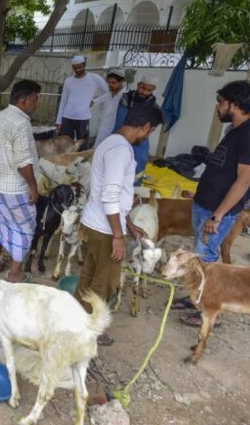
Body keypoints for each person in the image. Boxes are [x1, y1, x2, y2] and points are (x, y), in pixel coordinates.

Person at [75, 104, 162, 346]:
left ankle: (77, 320)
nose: (147, 137)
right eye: (150, 132)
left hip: (97, 223)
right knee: (106, 282)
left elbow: (115, 194)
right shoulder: (121, 151)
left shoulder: (110, 141)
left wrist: (129, 224)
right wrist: (117, 236)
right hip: (105, 230)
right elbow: (110, 195)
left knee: (90, 274)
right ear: (145, 127)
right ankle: (91, 332)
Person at [174, 81, 250, 328]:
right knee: (200, 255)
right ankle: (197, 295)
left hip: (216, 212)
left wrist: (217, 216)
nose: (217, 107)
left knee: (206, 257)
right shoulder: (235, 131)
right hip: (205, 205)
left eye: (221, 102)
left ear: (235, 105)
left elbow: (244, 180)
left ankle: (208, 310)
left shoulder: (248, 134)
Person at [0, 79, 41, 283]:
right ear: (24, 100)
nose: (37, 104)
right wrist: (33, 186)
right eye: (35, 100)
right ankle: (15, 274)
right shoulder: (21, 123)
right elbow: (23, 161)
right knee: (25, 228)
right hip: (15, 188)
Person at [113, 75, 159, 185]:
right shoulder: (126, 99)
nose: (145, 92)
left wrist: (142, 136)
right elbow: (121, 122)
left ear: (153, 90)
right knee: (117, 164)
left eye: (149, 90)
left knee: (140, 161)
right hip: (123, 135)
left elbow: (151, 127)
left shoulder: (154, 105)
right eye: (143, 88)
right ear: (138, 85)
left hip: (140, 140)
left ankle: (133, 189)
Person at [55, 56, 108, 146]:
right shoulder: (68, 81)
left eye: (80, 67)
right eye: (75, 68)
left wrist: (95, 101)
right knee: (65, 145)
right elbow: (63, 101)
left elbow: (108, 93)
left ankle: (82, 160)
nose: (78, 70)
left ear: (84, 65)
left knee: (83, 145)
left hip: (83, 118)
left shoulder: (95, 78)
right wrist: (59, 121)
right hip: (67, 117)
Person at [94, 69, 126, 148]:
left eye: (113, 82)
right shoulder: (108, 95)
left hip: (115, 132)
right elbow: (94, 102)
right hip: (102, 131)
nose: (110, 85)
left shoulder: (125, 97)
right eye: (108, 82)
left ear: (122, 82)